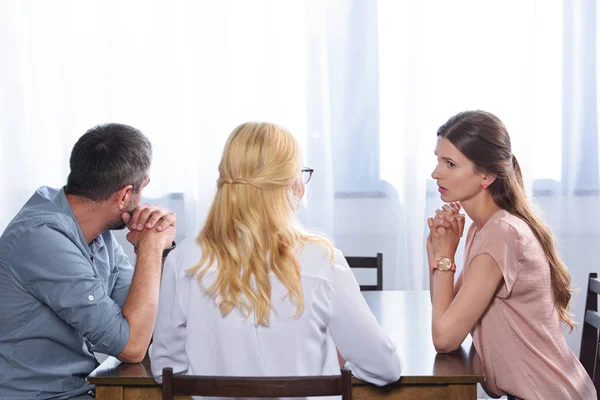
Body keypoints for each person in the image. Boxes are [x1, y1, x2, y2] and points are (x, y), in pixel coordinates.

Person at [150, 122, 402, 390]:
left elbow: (166, 368)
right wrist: (334, 370)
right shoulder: (323, 261)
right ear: (292, 185)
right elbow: (385, 367)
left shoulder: (184, 260)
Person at [426, 110, 596, 399]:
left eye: (450, 164)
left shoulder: (501, 234)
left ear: (487, 175)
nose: (436, 173)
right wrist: (438, 251)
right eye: (438, 160)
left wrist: (443, 258)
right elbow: (450, 318)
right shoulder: (481, 231)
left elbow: (444, 339)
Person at [0, 123, 177, 399]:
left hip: (80, 391)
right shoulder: (42, 239)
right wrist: (151, 248)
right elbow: (131, 347)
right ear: (124, 196)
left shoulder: (97, 234)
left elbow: (149, 325)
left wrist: (157, 248)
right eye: (141, 190)